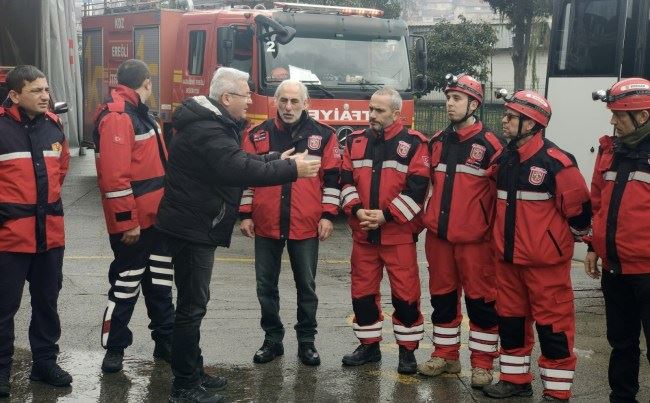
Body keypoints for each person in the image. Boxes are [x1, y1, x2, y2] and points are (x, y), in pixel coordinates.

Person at [155, 67, 321, 403]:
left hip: (195, 224)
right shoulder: (208, 128)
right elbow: (236, 169)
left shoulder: (212, 123)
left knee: (193, 304)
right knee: (191, 307)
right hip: (193, 228)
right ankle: (185, 385)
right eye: (245, 94)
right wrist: (292, 169)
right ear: (226, 97)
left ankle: (193, 370)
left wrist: (273, 158)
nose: (250, 100)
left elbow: (235, 160)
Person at [482, 89, 591, 401]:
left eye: (511, 117)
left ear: (531, 124)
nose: (503, 121)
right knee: (511, 322)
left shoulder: (558, 163)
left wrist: (564, 242)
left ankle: (557, 392)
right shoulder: (503, 159)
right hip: (507, 262)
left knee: (553, 328)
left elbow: (580, 212)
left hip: (545, 266)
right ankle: (515, 380)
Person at [239, 80, 341, 366]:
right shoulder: (257, 135)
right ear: (275, 102)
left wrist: (328, 215)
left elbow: (333, 179)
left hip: (305, 224)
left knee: (306, 286)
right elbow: (246, 176)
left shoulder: (324, 136)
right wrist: (246, 213)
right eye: (283, 100)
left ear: (306, 104)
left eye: (295, 101)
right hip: (266, 223)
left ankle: (306, 342)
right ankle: (272, 340)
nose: (288, 107)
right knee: (265, 286)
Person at [418, 74, 503, 388]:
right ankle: (446, 355)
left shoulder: (492, 145)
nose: (449, 103)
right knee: (442, 298)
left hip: (476, 242)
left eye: (456, 98)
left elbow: (501, 198)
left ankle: (481, 364)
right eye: (448, 98)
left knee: (481, 304)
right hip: (439, 239)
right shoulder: (437, 140)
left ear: (474, 104)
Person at [339, 87, 429, 374]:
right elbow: (344, 181)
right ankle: (368, 348)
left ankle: (407, 352)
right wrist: (356, 210)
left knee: (406, 296)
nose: (372, 115)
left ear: (396, 113)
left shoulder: (415, 143)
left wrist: (385, 217)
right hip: (364, 234)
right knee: (362, 294)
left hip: (397, 235)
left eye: (379, 110)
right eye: (370, 109)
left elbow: (417, 189)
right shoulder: (355, 142)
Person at [93, 59, 174, 373]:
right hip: (135, 226)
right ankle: (115, 349)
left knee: (160, 282)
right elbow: (115, 178)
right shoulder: (119, 117)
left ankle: (165, 344)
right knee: (126, 284)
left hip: (156, 220)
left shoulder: (141, 114)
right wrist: (127, 222)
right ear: (147, 82)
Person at [0, 65, 72, 398]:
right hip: (9, 238)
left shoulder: (54, 128)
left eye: (46, 89)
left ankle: (44, 363)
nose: (45, 96)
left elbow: (61, 173)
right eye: (36, 91)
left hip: (50, 236)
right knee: (3, 308)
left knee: (47, 302)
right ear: (14, 95)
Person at [586, 77, 650, 403]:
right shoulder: (610, 150)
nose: (612, 122)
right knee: (621, 343)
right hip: (615, 270)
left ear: (643, 116)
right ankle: (622, 398)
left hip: (647, 272)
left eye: (619, 116)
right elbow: (598, 202)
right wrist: (592, 248)